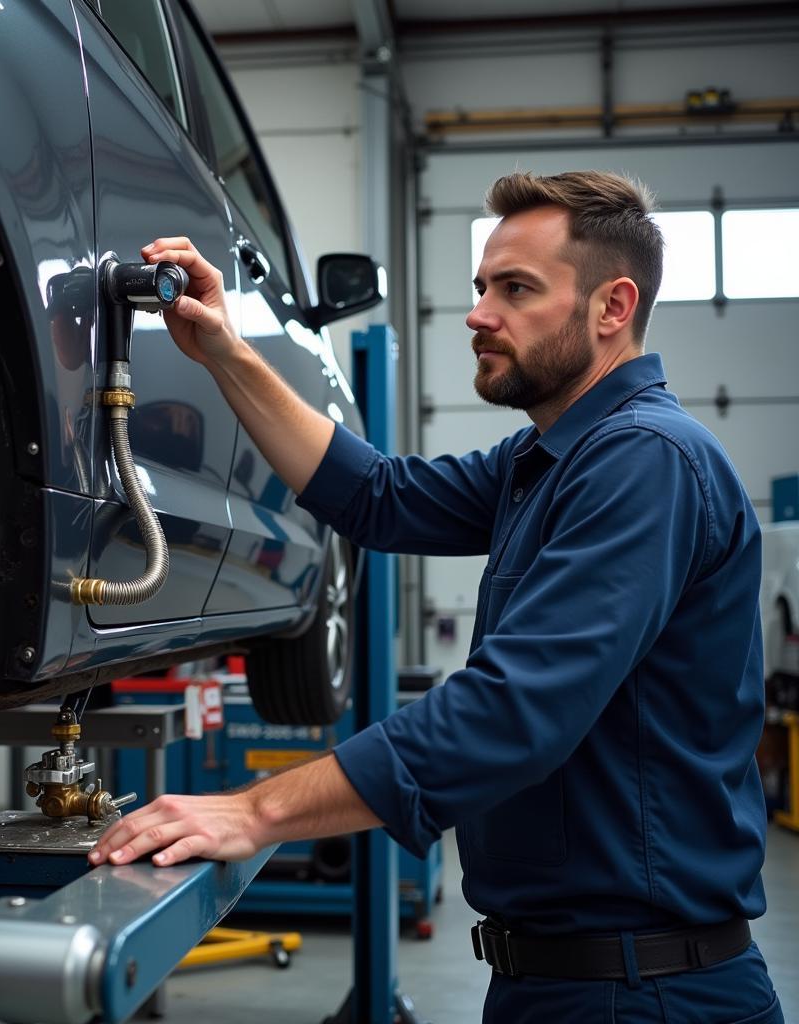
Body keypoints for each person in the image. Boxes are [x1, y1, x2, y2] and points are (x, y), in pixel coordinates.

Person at [89, 170, 782, 1023]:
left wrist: (255, 809)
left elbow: (513, 712)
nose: (478, 313)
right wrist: (228, 351)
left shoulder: (645, 461)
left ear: (613, 307)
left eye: (516, 289)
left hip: (642, 995)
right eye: (481, 286)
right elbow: (376, 494)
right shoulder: (549, 459)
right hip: (564, 979)